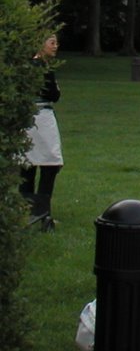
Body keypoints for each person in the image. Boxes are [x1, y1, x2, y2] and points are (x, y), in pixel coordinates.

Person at [20, 34, 62, 231]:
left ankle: (25, 209)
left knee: (28, 163)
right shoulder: (43, 68)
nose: (56, 46)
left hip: (27, 118)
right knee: (50, 163)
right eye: (52, 43)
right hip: (42, 118)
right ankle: (43, 213)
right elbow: (53, 94)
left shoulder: (26, 66)